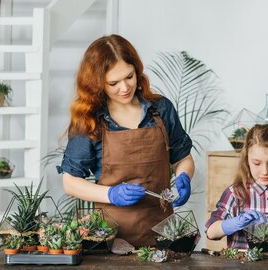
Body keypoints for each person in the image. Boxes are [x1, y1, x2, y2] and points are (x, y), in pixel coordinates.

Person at [58, 34, 195, 246]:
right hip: (108, 238)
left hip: (162, 235)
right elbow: (70, 182)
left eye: (129, 77)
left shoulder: (161, 109)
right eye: (113, 83)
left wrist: (184, 175)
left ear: (137, 70)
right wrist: (111, 194)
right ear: (97, 83)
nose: (124, 88)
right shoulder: (90, 120)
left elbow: (182, 158)